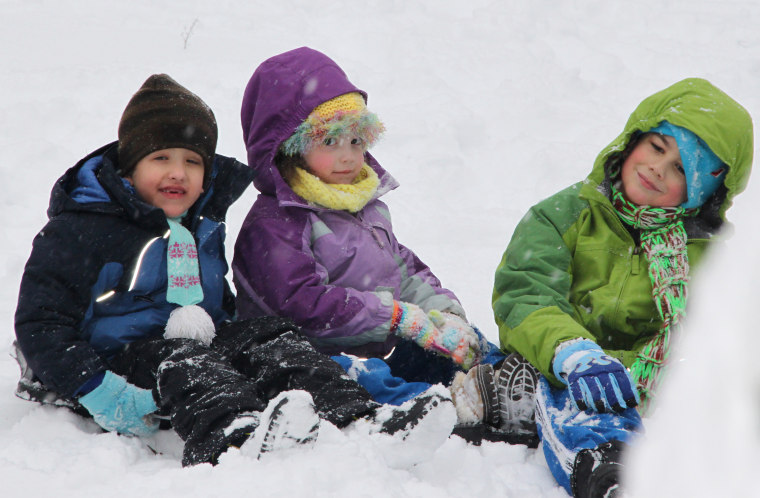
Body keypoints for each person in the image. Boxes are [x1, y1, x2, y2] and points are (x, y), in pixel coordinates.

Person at [13, 73, 456, 468]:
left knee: (271, 338)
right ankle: (234, 440)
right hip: (118, 359)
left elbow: (214, 302)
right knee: (189, 361)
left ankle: (361, 419)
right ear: (130, 169)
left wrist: (249, 348)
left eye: (192, 162)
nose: (178, 173)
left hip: (194, 343)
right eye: (161, 158)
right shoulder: (84, 230)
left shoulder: (199, 225)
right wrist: (98, 387)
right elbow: (40, 323)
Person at [492, 78, 753, 497]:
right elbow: (525, 296)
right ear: (633, 139)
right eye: (656, 147)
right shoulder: (563, 216)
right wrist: (572, 352)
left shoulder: (713, 263)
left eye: (682, 169)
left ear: (704, 193)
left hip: (642, 387)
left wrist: (631, 373)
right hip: (556, 362)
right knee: (584, 408)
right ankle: (609, 473)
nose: (657, 169)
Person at [232, 47, 512, 436]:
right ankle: (432, 409)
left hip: (376, 342)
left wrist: (440, 312)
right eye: (330, 142)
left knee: (456, 345)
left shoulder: (362, 205)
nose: (348, 156)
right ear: (289, 146)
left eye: (356, 140)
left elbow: (402, 268)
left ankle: (498, 382)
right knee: (363, 378)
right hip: (311, 358)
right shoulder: (278, 221)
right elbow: (301, 304)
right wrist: (395, 317)